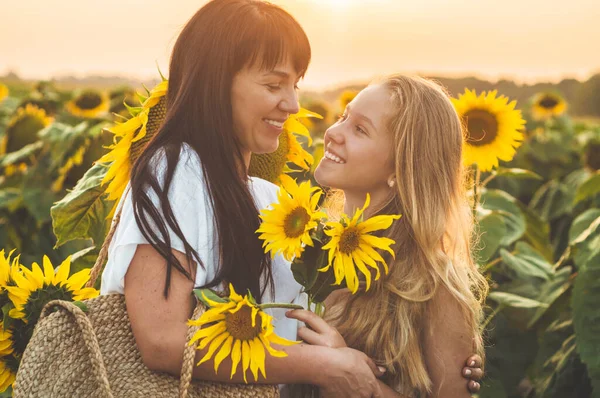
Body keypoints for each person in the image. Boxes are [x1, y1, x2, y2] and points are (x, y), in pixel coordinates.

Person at [100, 0, 483, 396]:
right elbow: (162, 339)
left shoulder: (277, 208)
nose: (294, 106)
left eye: (294, 84)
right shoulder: (177, 170)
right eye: (272, 85)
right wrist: (326, 365)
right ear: (215, 84)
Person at [286, 75, 488, 397]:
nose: (333, 133)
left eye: (359, 129)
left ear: (401, 168)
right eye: (343, 117)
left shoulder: (431, 288)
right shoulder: (304, 245)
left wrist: (360, 383)